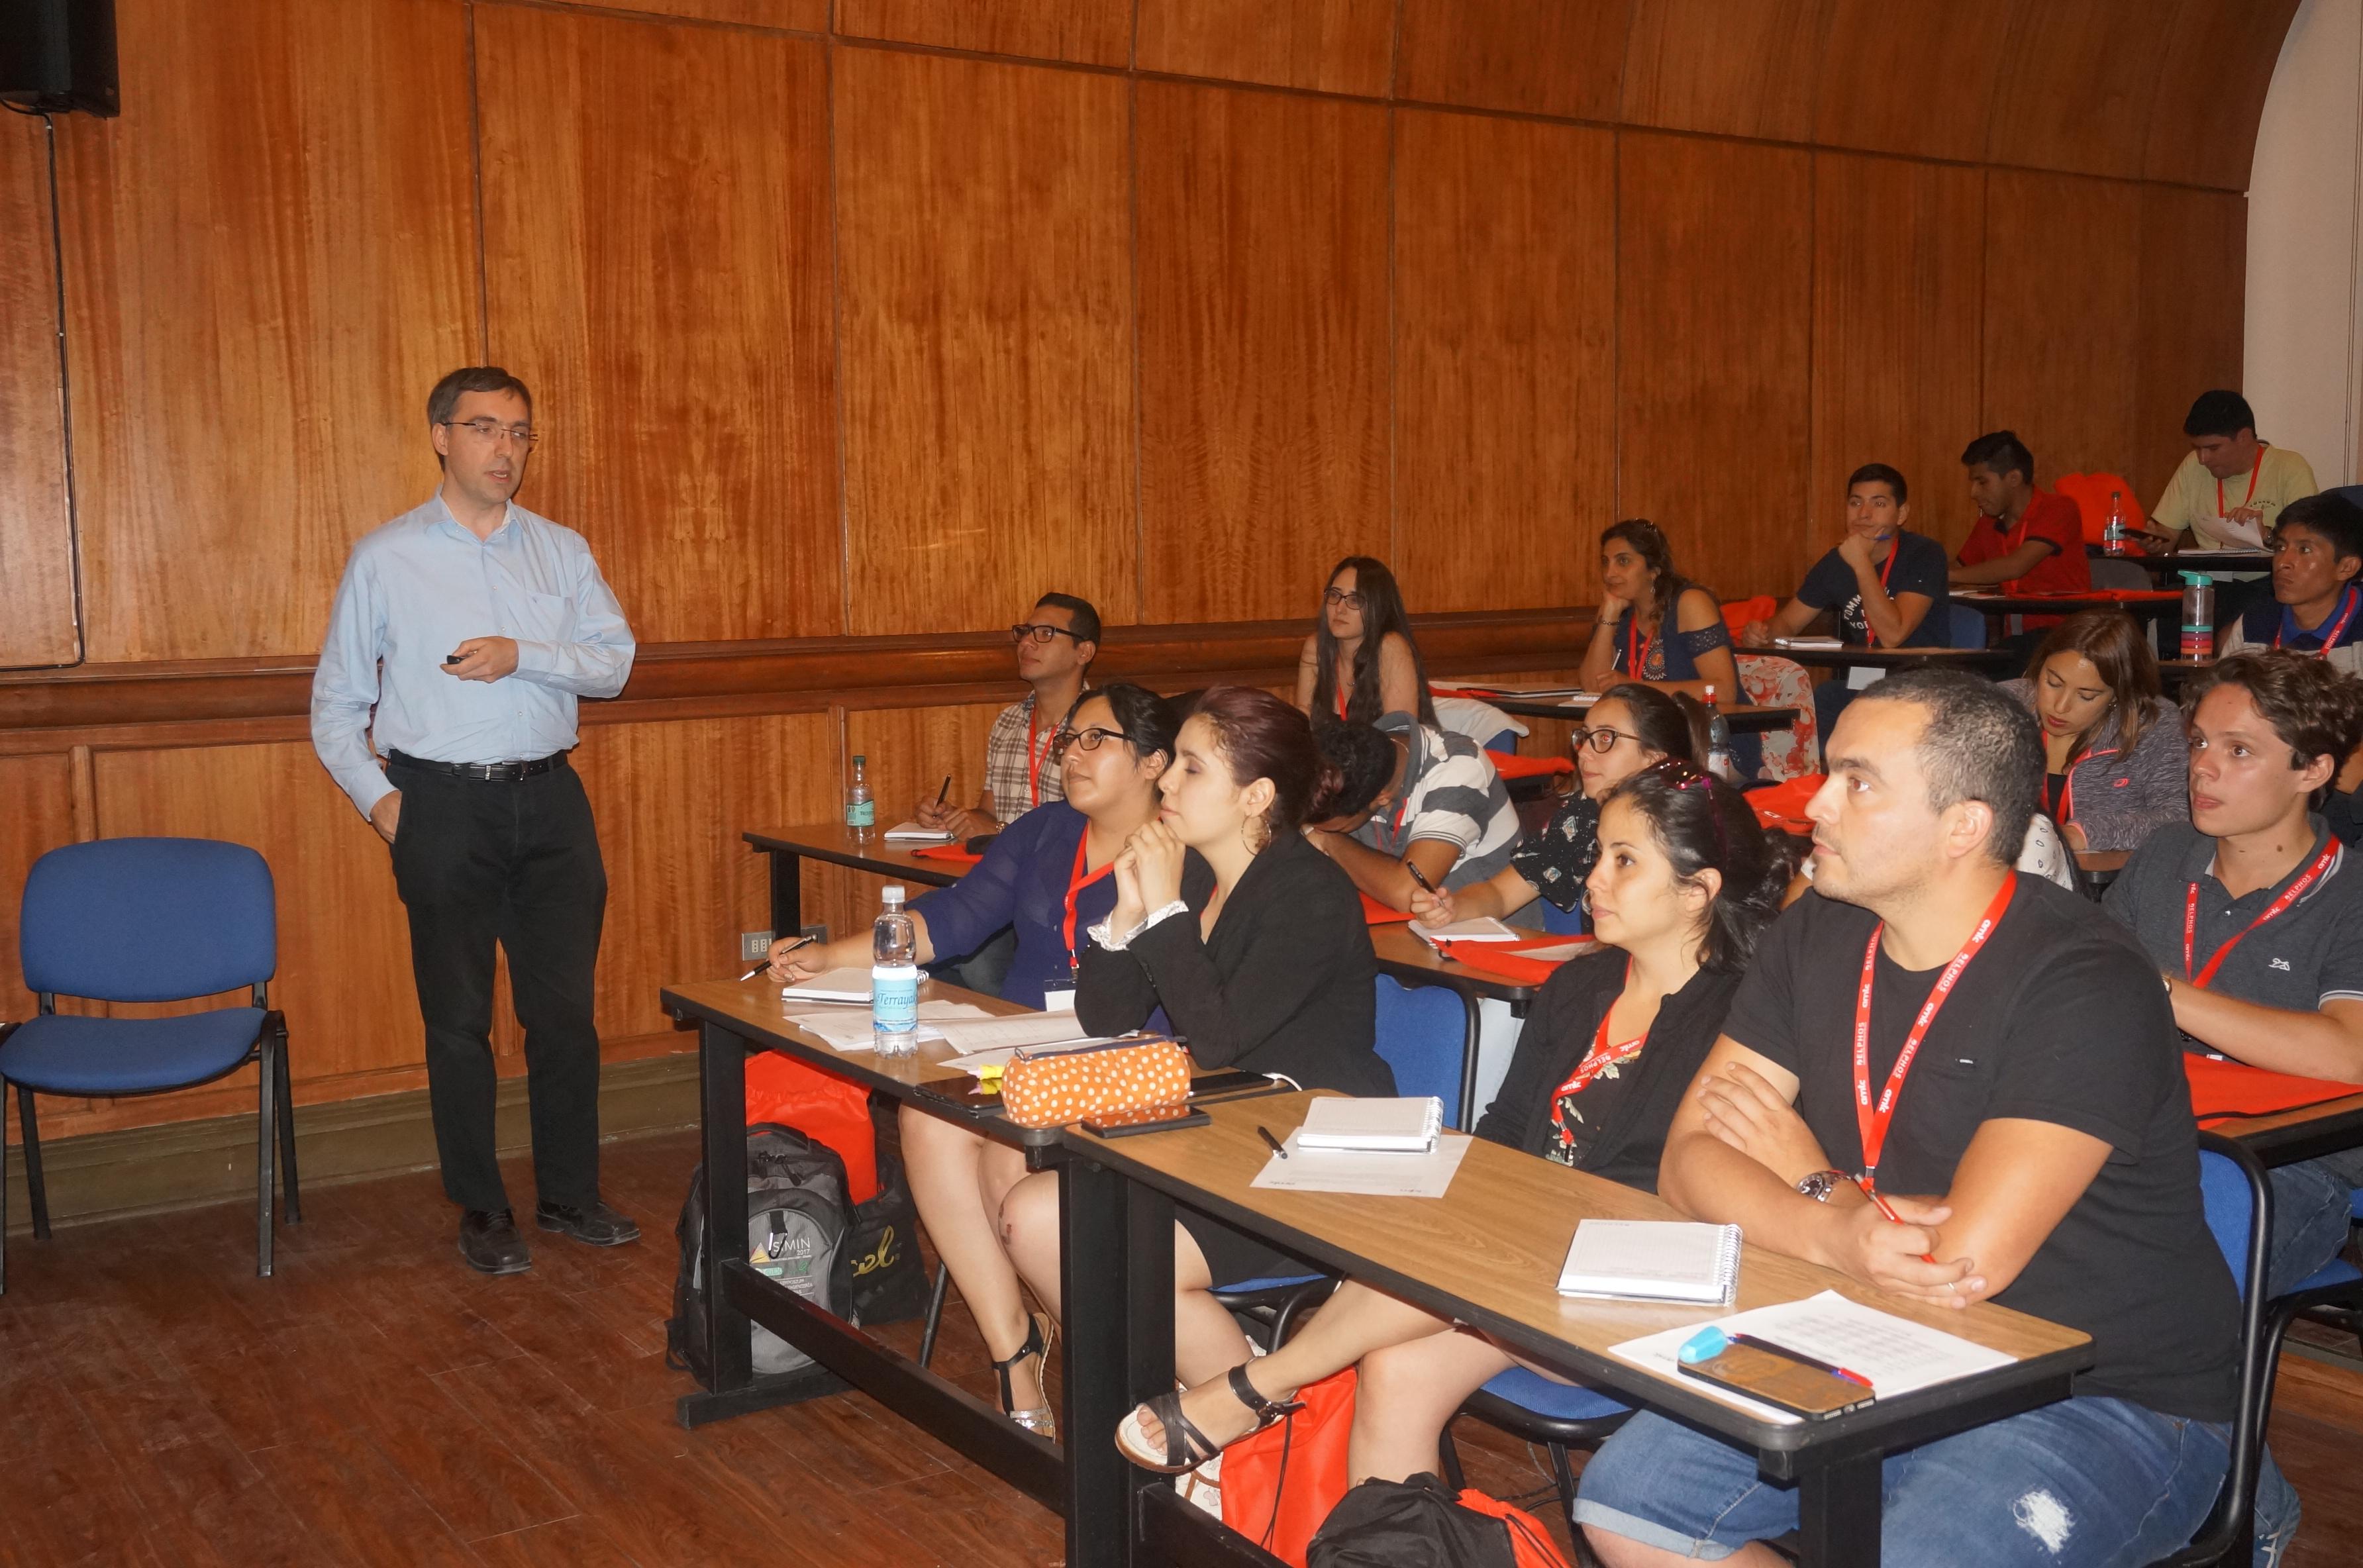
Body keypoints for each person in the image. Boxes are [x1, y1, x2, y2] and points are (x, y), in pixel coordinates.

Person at [1573, 668, 2279, 1568]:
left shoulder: (2084, 979)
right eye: (1829, 773)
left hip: (2101, 1388)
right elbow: (1691, 1159)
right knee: (1631, 1505)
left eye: (1857, 782)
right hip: (1873, 1327)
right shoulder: (1816, 933)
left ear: (1964, 826)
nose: (1813, 805)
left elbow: (1962, 1264)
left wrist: (1811, 1174)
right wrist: (1838, 1232)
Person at [1111, 763, 1790, 1476]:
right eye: (1597, 855)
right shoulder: (1580, 985)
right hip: (1513, 1268)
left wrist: (1493, 1209)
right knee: (1396, 1373)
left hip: (1630, 1291)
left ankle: (1259, 1386)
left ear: (1699, 891)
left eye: (1623, 861)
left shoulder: (1742, 1019)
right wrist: (1426, 1158)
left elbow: (1666, 1190)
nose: (1592, 880)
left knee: (1446, 1255)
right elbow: (1507, 1129)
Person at [766, 684, 1205, 1438]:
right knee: (929, 1116)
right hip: (1021, 1050)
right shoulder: (1043, 832)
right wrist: (822, 956)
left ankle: (1106, 1355)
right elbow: (949, 921)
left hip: (1126, 1064)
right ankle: (1015, 1350)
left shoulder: (1184, 853)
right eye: (1070, 738)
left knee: (1006, 1152)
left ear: (1152, 762)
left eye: (1094, 739)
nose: (1071, 752)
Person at [311, 367, 638, 1276]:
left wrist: (522, 656)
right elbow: (336, 707)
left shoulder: (560, 551)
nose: (508, 450)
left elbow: (611, 666)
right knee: (458, 1020)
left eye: (522, 433)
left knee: (564, 1016)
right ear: (442, 438)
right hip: (440, 802)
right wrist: (384, 805)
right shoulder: (388, 558)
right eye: (487, 429)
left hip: (551, 798)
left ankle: (571, 1194)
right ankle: (483, 1207)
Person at [997, 687, 1395, 1396]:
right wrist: (1128, 910)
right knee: (1032, 1215)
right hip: (1223, 1135)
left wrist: (1167, 910)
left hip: (1312, 1157)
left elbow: (1215, 1041)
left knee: (1104, 1248)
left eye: (1190, 768)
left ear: (1256, 795)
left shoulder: (1309, 893)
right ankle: (1201, 1400)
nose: (1167, 782)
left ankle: (1242, 1418)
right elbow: (1106, 1014)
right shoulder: (1203, 873)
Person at [2104, 652, 2363, 1301]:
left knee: (2154, 1302)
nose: (2202, 767)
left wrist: (2162, 991)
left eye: (2239, 751)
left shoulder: (2350, 895)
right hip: (2146, 1132)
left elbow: (2349, 1054)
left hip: (2285, 1168)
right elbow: (2092, 996)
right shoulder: (2164, 856)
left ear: (2312, 769)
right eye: (2197, 742)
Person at [1410, 684, 1707, 928]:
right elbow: (1499, 894)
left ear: (1654, 760)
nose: (1585, 753)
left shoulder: (1683, 834)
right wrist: (1453, 907)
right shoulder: (1582, 814)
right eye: (1585, 737)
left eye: (1605, 738)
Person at [1742, 463, 1949, 740]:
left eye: (1878, 503)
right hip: (1863, 685)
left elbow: (1892, 635)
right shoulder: (1836, 562)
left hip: (1920, 689)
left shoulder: (1925, 555)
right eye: (1855, 503)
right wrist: (1762, 633)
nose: (1864, 514)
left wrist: (1860, 562)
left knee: (1836, 704)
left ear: (1901, 514)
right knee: (1816, 701)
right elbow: (1789, 622)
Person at [913, 593, 1101, 841]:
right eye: (1025, 632)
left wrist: (1001, 831)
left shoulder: (1102, 730)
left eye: (1045, 633)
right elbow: (989, 815)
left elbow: (1099, 829)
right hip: (1006, 871)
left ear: (1084, 652)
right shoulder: (1007, 722)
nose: (1026, 643)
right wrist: (956, 818)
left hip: (1066, 874)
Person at [1998, 610, 2186, 852]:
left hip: (2102, 884)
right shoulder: (2001, 707)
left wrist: (2082, 834)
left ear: (2118, 695)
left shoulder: (2152, 724)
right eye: (2053, 683)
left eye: (2087, 696)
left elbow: (2179, 818)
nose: (2061, 707)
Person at [1305, 712, 1521, 910]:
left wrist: (1330, 841)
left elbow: (1407, 892)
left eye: (1338, 828)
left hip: (1487, 933)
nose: (1317, 830)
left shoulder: (1458, 768)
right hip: (1394, 930)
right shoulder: (1356, 758)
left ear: (1382, 796)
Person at [1576, 519, 1742, 702]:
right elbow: (1593, 688)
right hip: (1647, 728)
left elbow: (1725, 692)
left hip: (1706, 727)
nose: (1609, 573)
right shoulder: (1616, 611)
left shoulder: (1691, 603)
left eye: (1623, 561)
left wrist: (1635, 687)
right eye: (1605, 562)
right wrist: (1608, 614)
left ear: (1653, 570)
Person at [1949, 430, 2089, 644]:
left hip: (2066, 639)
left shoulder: (2059, 508)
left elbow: (2015, 566)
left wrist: (1946, 576)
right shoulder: (1988, 522)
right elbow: (1960, 568)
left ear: (2014, 478)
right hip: (2012, 641)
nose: (1973, 493)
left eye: (1982, 482)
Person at [2146, 389, 2319, 552]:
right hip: (2207, 578)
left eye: (2213, 448)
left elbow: (2308, 546)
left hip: (2268, 577)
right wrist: (2155, 542)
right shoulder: (2193, 465)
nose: (2202, 459)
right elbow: (2167, 539)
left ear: (2243, 437)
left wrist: (2265, 535)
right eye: (2197, 449)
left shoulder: (2290, 467)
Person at [2222, 493, 2363, 677]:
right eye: (2280, 547)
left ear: (2346, 568)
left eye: (2304, 550)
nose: (2282, 563)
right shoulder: (2255, 624)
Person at [1295, 557, 1436, 726]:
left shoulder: (1391, 647)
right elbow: (1303, 723)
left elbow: (1401, 737)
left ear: (1377, 607)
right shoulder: (1317, 647)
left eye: (1355, 600)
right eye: (1335, 595)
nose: (1339, 609)